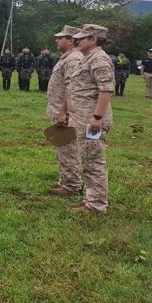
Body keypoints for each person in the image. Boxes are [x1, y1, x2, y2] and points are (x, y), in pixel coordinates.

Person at [62, 24, 115, 214]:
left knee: (93, 161)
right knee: (87, 159)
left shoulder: (99, 60)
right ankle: (90, 200)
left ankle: (96, 205)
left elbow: (106, 90)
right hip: (82, 119)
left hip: (91, 122)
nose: (77, 41)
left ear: (93, 40)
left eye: (82, 38)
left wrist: (96, 117)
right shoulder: (88, 58)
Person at [47, 25, 83, 196]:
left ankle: (71, 185)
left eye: (61, 37)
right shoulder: (66, 58)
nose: (57, 40)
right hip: (59, 110)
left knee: (68, 147)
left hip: (66, 112)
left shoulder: (73, 59)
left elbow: (71, 86)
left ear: (71, 40)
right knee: (62, 146)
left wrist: (64, 112)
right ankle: (65, 181)